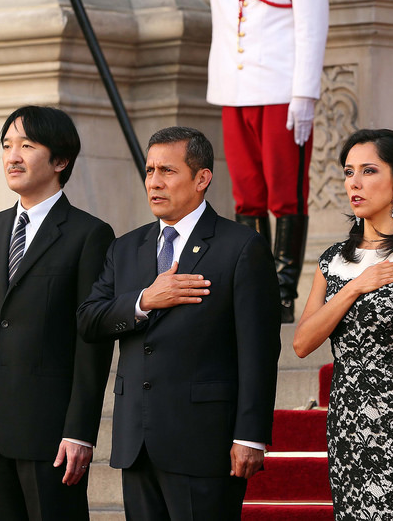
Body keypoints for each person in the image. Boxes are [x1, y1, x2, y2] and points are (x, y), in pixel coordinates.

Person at [54, 0, 329, 323]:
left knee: (285, 192)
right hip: (233, 89)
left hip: (281, 91)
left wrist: (304, 93)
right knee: (247, 193)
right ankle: (257, 284)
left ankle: (282, 289)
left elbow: (311, 24)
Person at [77, 126, 282, 521]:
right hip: (136, 440)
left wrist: (250, 435)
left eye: (167, 171)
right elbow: (89, 319)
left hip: (205, 443)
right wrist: (143, 300)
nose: (154, 182)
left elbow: (258, 351)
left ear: (202, 178)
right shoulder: (125, 247)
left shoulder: (240, 246)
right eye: (150, 170)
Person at [0, 106, 115, 521]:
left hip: (51, 436)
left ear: (60, 160)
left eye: (27, 145)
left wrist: (79, 431)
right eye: (7, 145)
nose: (13, 156)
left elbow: (90, 344)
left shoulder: (89, 234)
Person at [292, 129, 393, 519]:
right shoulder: (332, 261)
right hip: (347, 426)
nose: (355, 183)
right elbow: (302, 342)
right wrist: (354, 288)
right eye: (349, 173)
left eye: (368, 171)